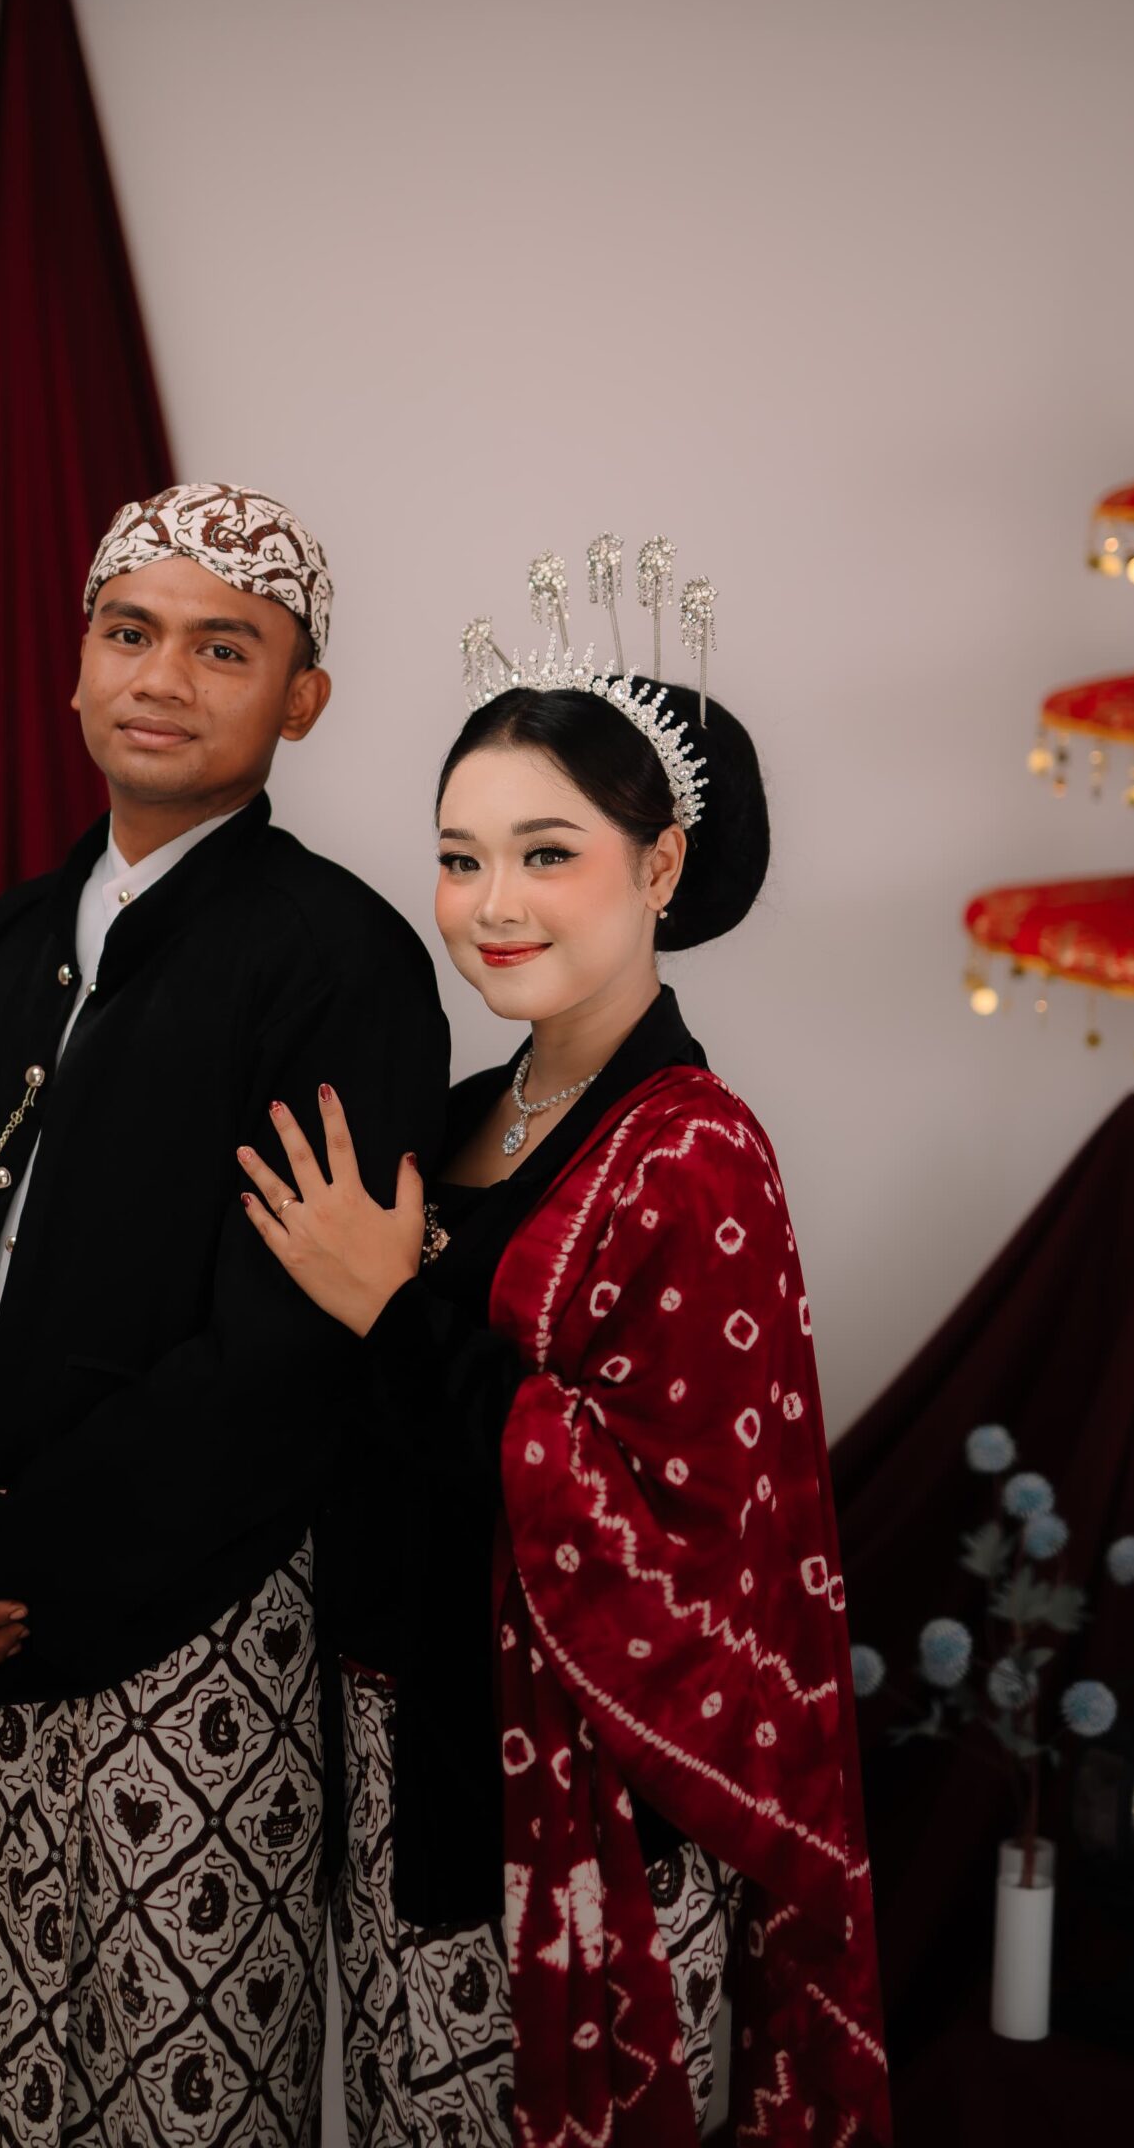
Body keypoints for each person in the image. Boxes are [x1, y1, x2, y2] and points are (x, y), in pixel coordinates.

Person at [238, 551, 892, 2146]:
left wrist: (391, 1307)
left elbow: (670, 1530)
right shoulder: (454, 1117)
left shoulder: (694, 1152)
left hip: (581, 1798)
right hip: (397, 1750)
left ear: (660, 865)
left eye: (547, 853)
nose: (494, 904)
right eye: (460, 859)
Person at [0, 482, 450, 2148]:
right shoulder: (20, 932)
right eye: (131, 633)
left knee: (186, 2100)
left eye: (224, 647)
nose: (163, 677)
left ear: (302, 699)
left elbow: (284, 1362)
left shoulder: (340, 959)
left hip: (203, 1630)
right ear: (79, 664)